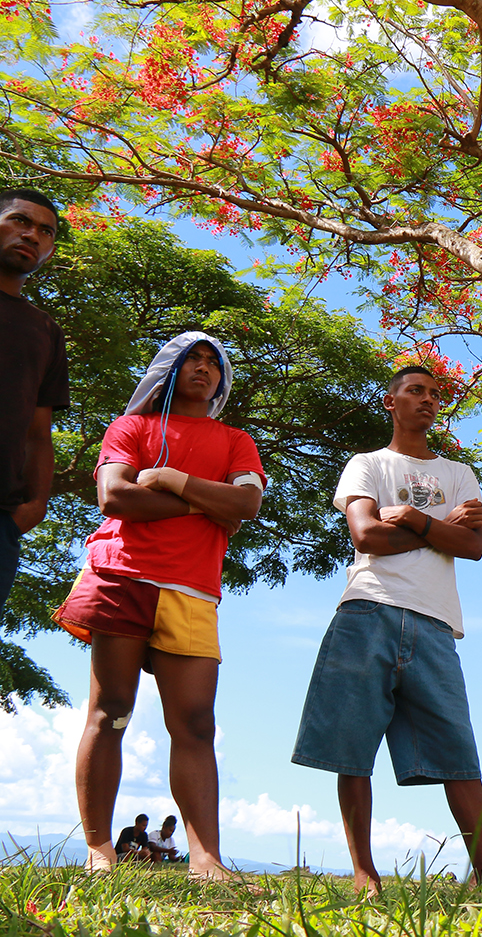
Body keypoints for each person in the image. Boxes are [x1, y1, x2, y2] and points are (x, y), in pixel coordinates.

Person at [54, 333, 262, 879]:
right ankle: (100, 851)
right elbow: (115, 498)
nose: (203, 368)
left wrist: (170, 481)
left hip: (193, 589)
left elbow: (246, 502)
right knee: (111, 711)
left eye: (213, 362)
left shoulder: (236, 440)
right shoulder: (132, 428)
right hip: (121, 575)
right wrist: (204, 503)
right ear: (168, 369)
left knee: (195, 724)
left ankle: (205, 859)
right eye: (192, 359)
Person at [291, 365, 482, 895]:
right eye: (415, 391)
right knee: (351, 746)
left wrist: (410, 517)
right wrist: (442, 527)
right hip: (369, 609)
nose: (427, 400)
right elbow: (366, 535)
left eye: (434, 393)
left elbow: (474, 549)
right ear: (391, 402)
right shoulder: (367, 465)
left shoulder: (458, 474)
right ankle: (365, 872)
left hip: (435, 624)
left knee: (458, 754)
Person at [0, 189, 66, 606]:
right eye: (20, 221)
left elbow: (39, 431)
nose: (32, 235)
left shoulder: (45, 330)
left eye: (45, 231)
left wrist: (36, 502)